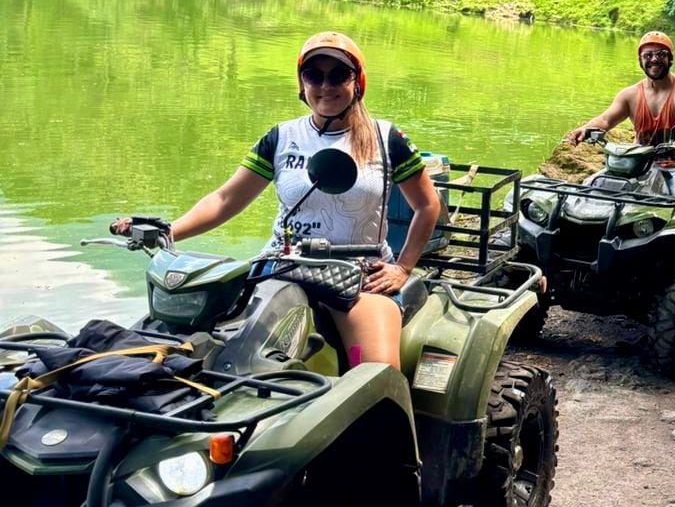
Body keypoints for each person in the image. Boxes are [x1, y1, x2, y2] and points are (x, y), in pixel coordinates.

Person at [114, 32, 442, 369]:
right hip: (280, 266)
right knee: (202, 345)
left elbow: (427, 205)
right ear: (301, 83)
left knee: (376, 374)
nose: (325, 86)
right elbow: (226, 199)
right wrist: (168, 231)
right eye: (314, 75)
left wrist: (402, 267)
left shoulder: (386, 139)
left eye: (338, 75)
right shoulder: (281, 138)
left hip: (358, 277)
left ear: (357, 82)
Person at [565, 32, 675, 201]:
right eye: (648, 55)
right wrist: (584, 129)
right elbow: (605, 120)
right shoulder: (629, 94)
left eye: (661, 54)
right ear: (640, 60)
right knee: (588, 189)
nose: (654, 59)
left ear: (670, 59)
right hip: (637, 163)